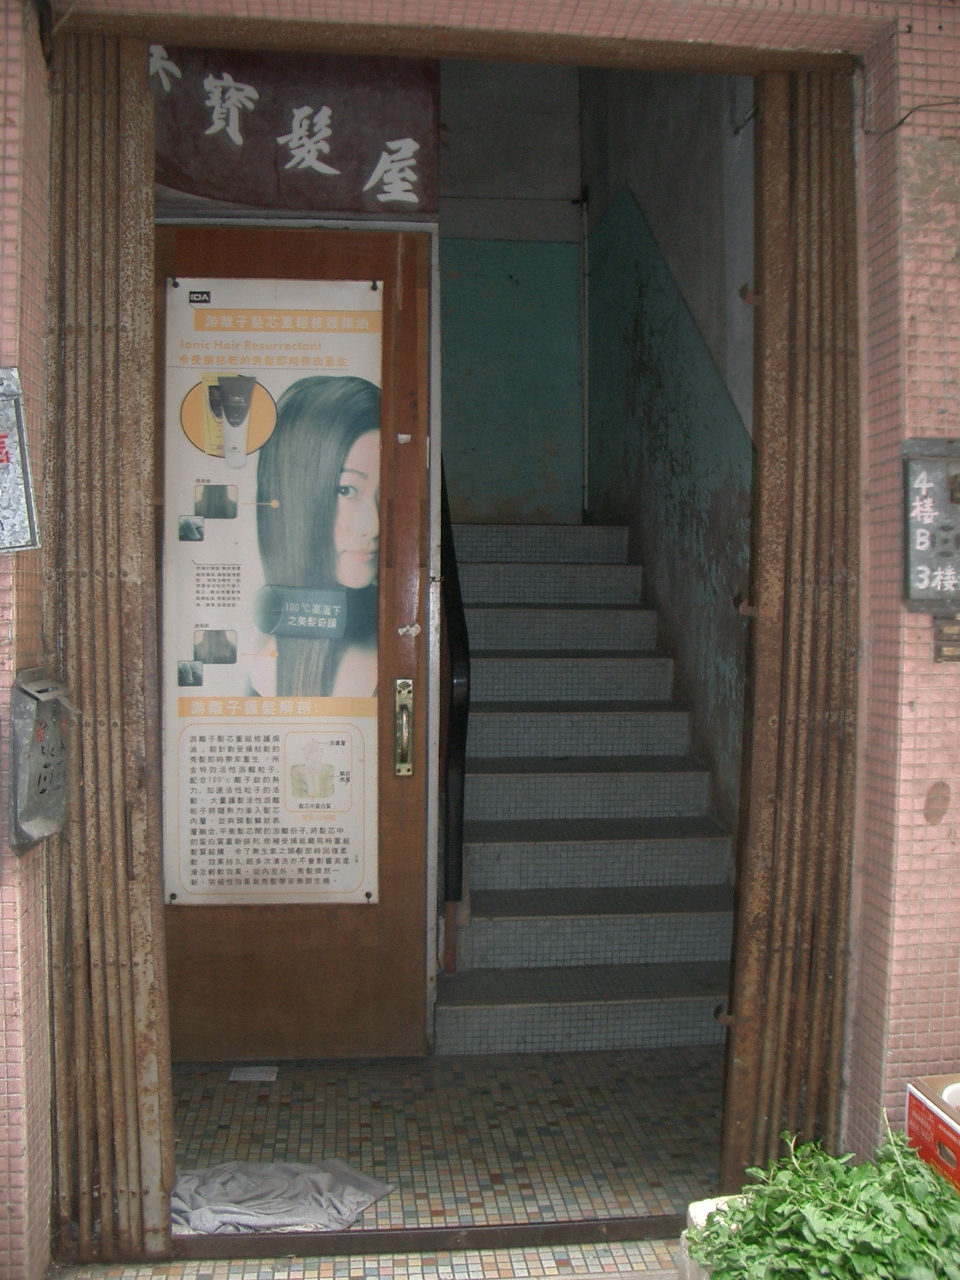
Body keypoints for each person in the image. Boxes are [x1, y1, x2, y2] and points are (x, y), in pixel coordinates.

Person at [256, 375, 380, 697]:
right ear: (295, 495)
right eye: (346, 490)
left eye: (385, 493)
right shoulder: (257, 662)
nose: (374, 525)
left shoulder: (393, 643)